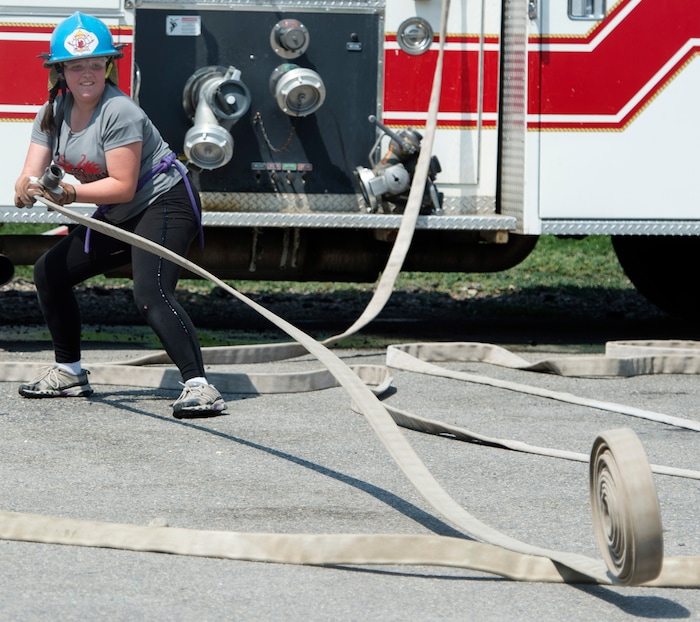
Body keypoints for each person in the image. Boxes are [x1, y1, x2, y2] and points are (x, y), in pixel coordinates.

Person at [13, 12, 227, 419]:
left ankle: (200, 386)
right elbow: (31, 168)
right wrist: (26, 186)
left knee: (151, 293)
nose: (88, 74)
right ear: (61, 70)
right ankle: (69, 373)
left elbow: (123, 185)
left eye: (96, 64)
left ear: (108, 66)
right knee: (48, 272)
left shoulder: (119, 111)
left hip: (164, 201)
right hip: (121, 209)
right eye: (76, 66)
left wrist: (70, 192)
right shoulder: (52, 111)